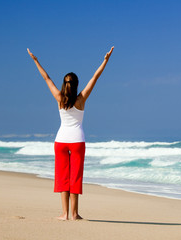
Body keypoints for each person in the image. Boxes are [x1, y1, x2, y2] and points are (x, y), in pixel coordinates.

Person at [27, 46, 114, 220]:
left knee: (62, 177)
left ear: (64, 84)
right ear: (76, 85)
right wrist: (105, 60)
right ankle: (74, 214)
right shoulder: (81, 99)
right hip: (77, 142)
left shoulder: (59, 98)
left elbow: (46, 78)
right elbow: (95, 78)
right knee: (75, 178)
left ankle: (64, 213)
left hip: (60, 141)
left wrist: (35, 60)